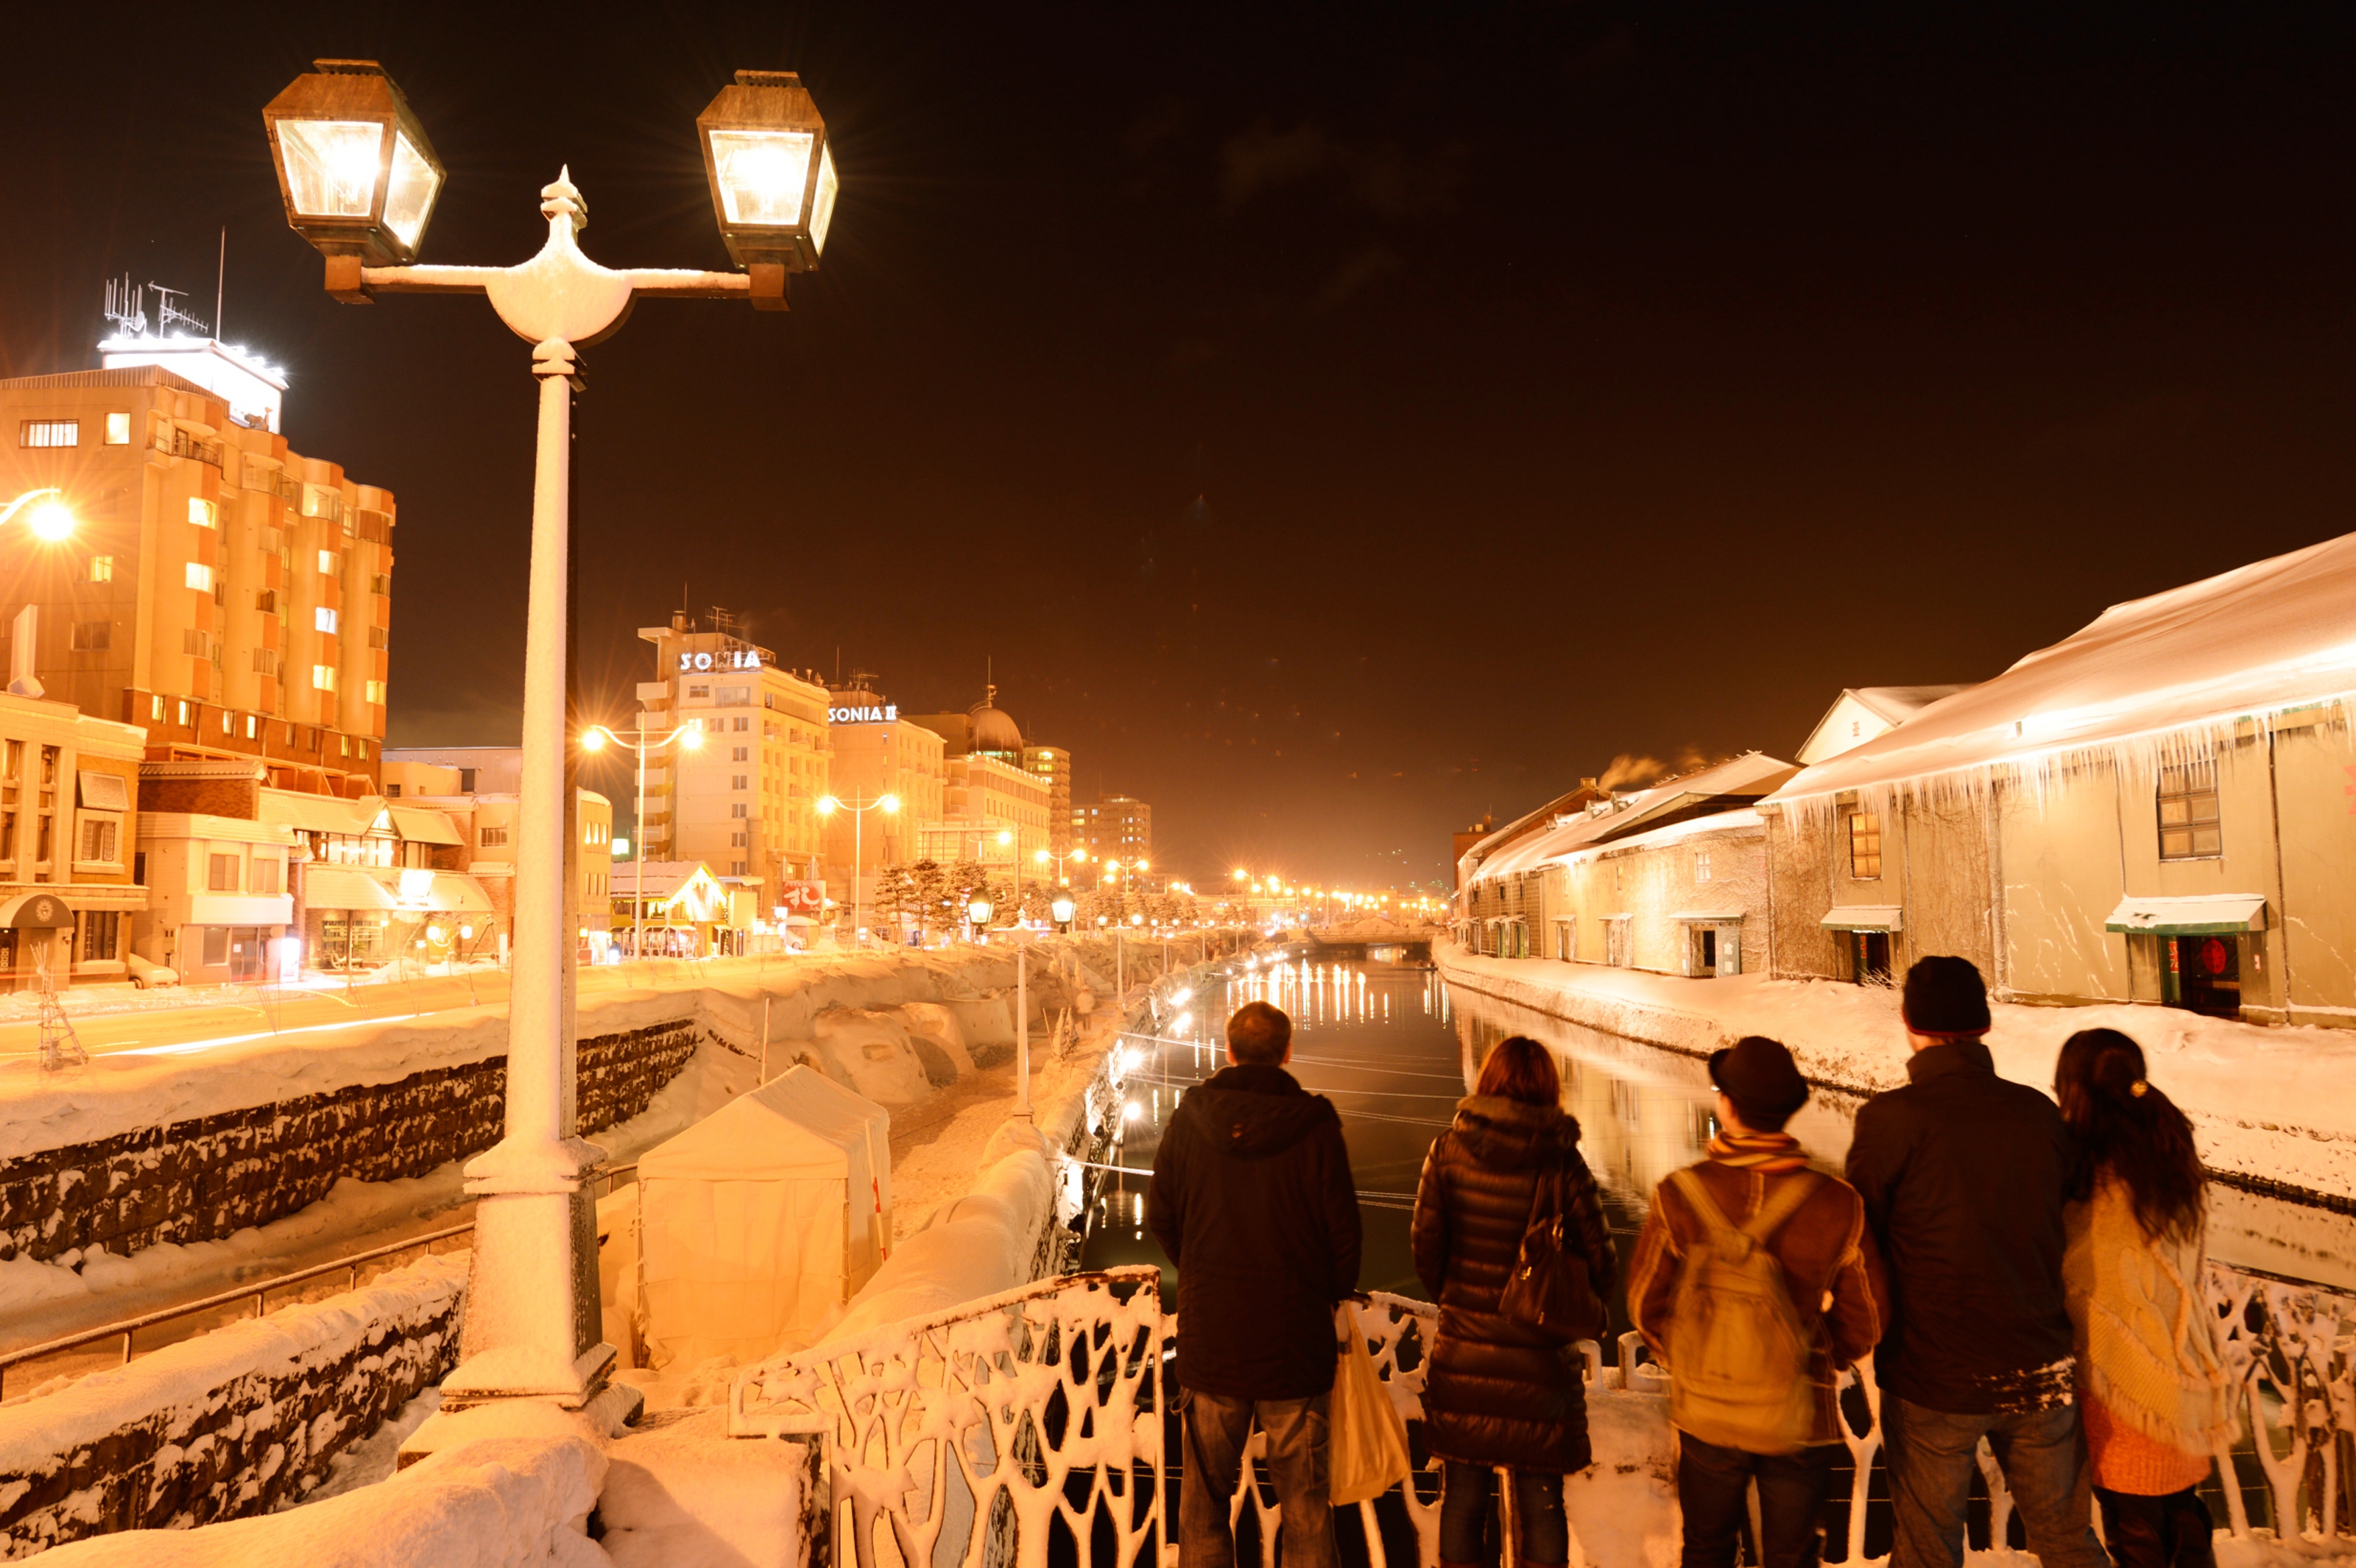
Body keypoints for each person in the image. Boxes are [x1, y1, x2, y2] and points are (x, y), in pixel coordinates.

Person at [1844, 956, 2108, 1568]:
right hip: (2040, 1366)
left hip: (1933, 1372)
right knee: (2068, 1540)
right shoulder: (2038, 1114)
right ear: (1984, 1025)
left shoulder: (1889, 1121)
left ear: (1908, 1021)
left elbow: (1861, 1238)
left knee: (1927, 1548)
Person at [1629, 1036, 1889, 1568]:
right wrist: (1821, 1354)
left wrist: (1694, 1356)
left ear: (1726, 1103)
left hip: (1707, 1408)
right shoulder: (1837, 1202)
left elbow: (1643, 1302)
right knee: (1792, 1555)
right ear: (1789, 1110)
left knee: (1707, 1547)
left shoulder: (1680, 1193)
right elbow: (1869, 1316)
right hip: (1800, 1411)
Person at [1148, 1000, 1361, 1568]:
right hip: (1294, 1345)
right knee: (1307, 1509)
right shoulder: (1316, 1126)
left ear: (1229, 1050)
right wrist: (1318, 1291)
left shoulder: (1191, 1116)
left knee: (1204, 1508)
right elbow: (1345, 1243)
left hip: (1212, 1342)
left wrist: (1200, 1271)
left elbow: (1161, 1217)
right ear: (1287, 1053)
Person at [1411, 1035, 1615, 1568]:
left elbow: (1426, 1251)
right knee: (1542, 1505)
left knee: (1464, 1502)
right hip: (1541, 1360)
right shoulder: (1565, 1163)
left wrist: (1461, 1303)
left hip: (1466, 1357)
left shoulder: (1447, 1151)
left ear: (1487, 1081)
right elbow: (1603, 1264)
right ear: (1549, 1087)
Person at [2056, 1028, 2233, 1568]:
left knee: (2135, 1530)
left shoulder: (2089, 1179)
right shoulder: (2169, 1154)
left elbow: (2088, 1285)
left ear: (2074, 1090)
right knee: (2183, 1513)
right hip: (2186, 1370)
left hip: (2126, 1383)